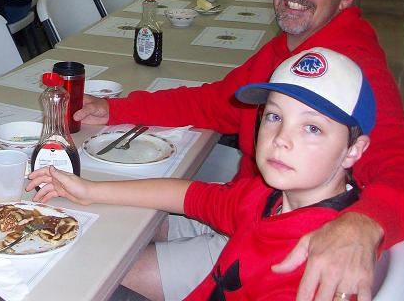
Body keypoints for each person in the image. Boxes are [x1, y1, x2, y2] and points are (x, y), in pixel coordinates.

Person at [74, 0, 404, 300]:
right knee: (115, 220)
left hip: (270, 245)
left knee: (102, 262)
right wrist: (115, 109)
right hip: (247, 207)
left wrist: (365, 223)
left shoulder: (346, 71)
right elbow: (217, 102)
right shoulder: (291, 48)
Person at [30, 47, 378, 300]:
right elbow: (189, 195)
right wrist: (89, 189)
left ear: (354, 150)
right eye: (274, 116)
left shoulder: (309, 269)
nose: (281, 140)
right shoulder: (267, 197)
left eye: (312, 129)